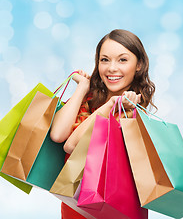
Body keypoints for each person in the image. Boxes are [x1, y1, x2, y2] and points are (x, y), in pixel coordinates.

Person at [50, 29, 156, 219]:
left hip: (110, 209)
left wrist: (111, 105)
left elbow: (71, 145)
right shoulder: (89, 99)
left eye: (122, 60)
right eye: (104, 60)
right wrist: (82, 89)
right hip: (75, 205)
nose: (111, 68)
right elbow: (57, 135)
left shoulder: (133, 115)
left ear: (138, 65)